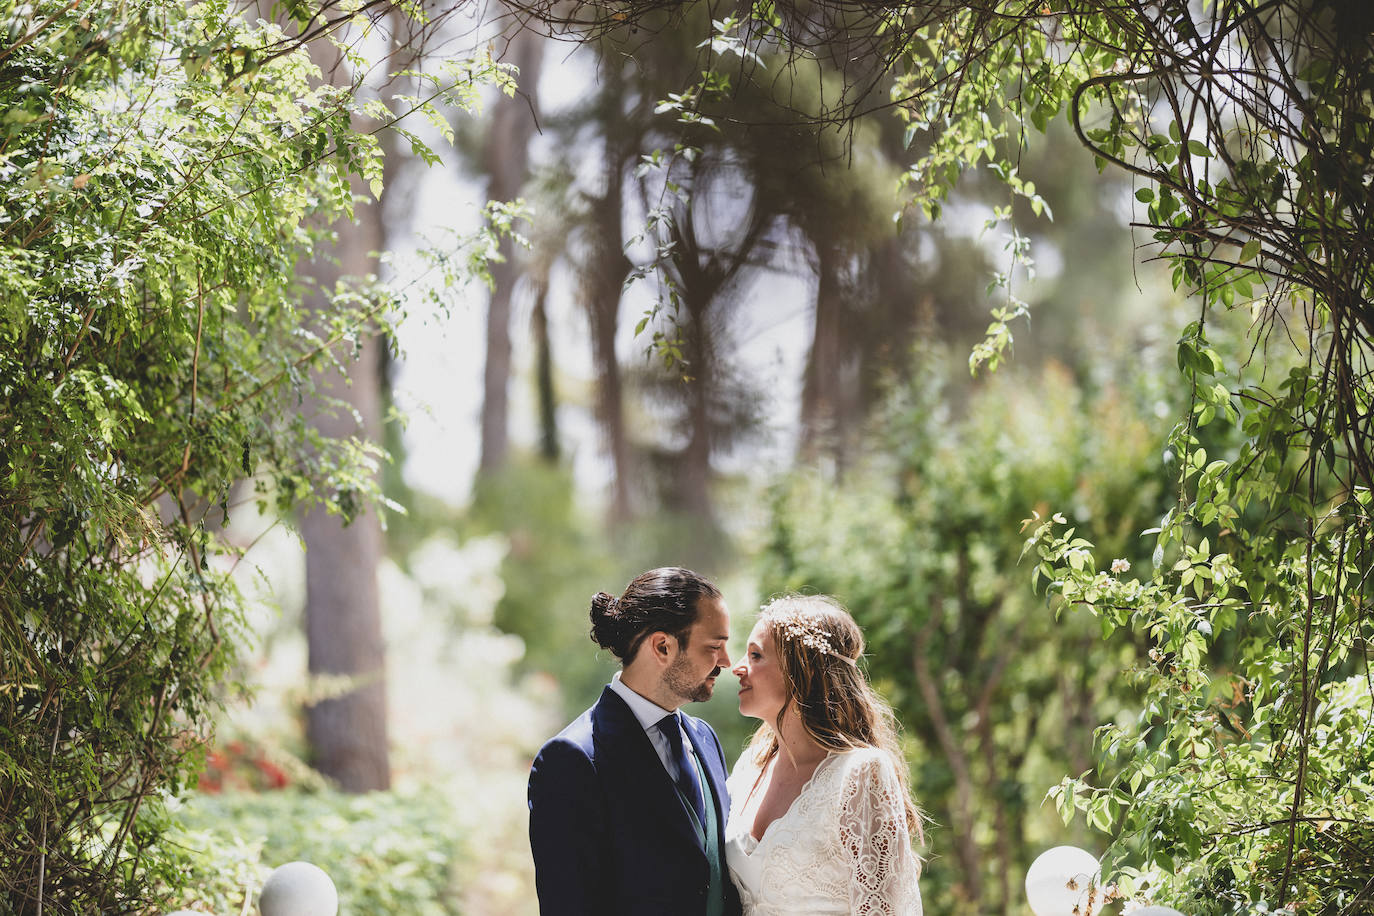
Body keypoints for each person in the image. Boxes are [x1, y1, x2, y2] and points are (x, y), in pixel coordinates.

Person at [527, 567, 741, 916]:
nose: (727, 662)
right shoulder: (573, 759)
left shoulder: (705, 738)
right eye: (714, 647)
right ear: (662, 646)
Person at [725, 595, 924, 915]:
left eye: (756, 655)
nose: (738, 667)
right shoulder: (750, 767)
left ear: (801, 669)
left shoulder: (860, 773)